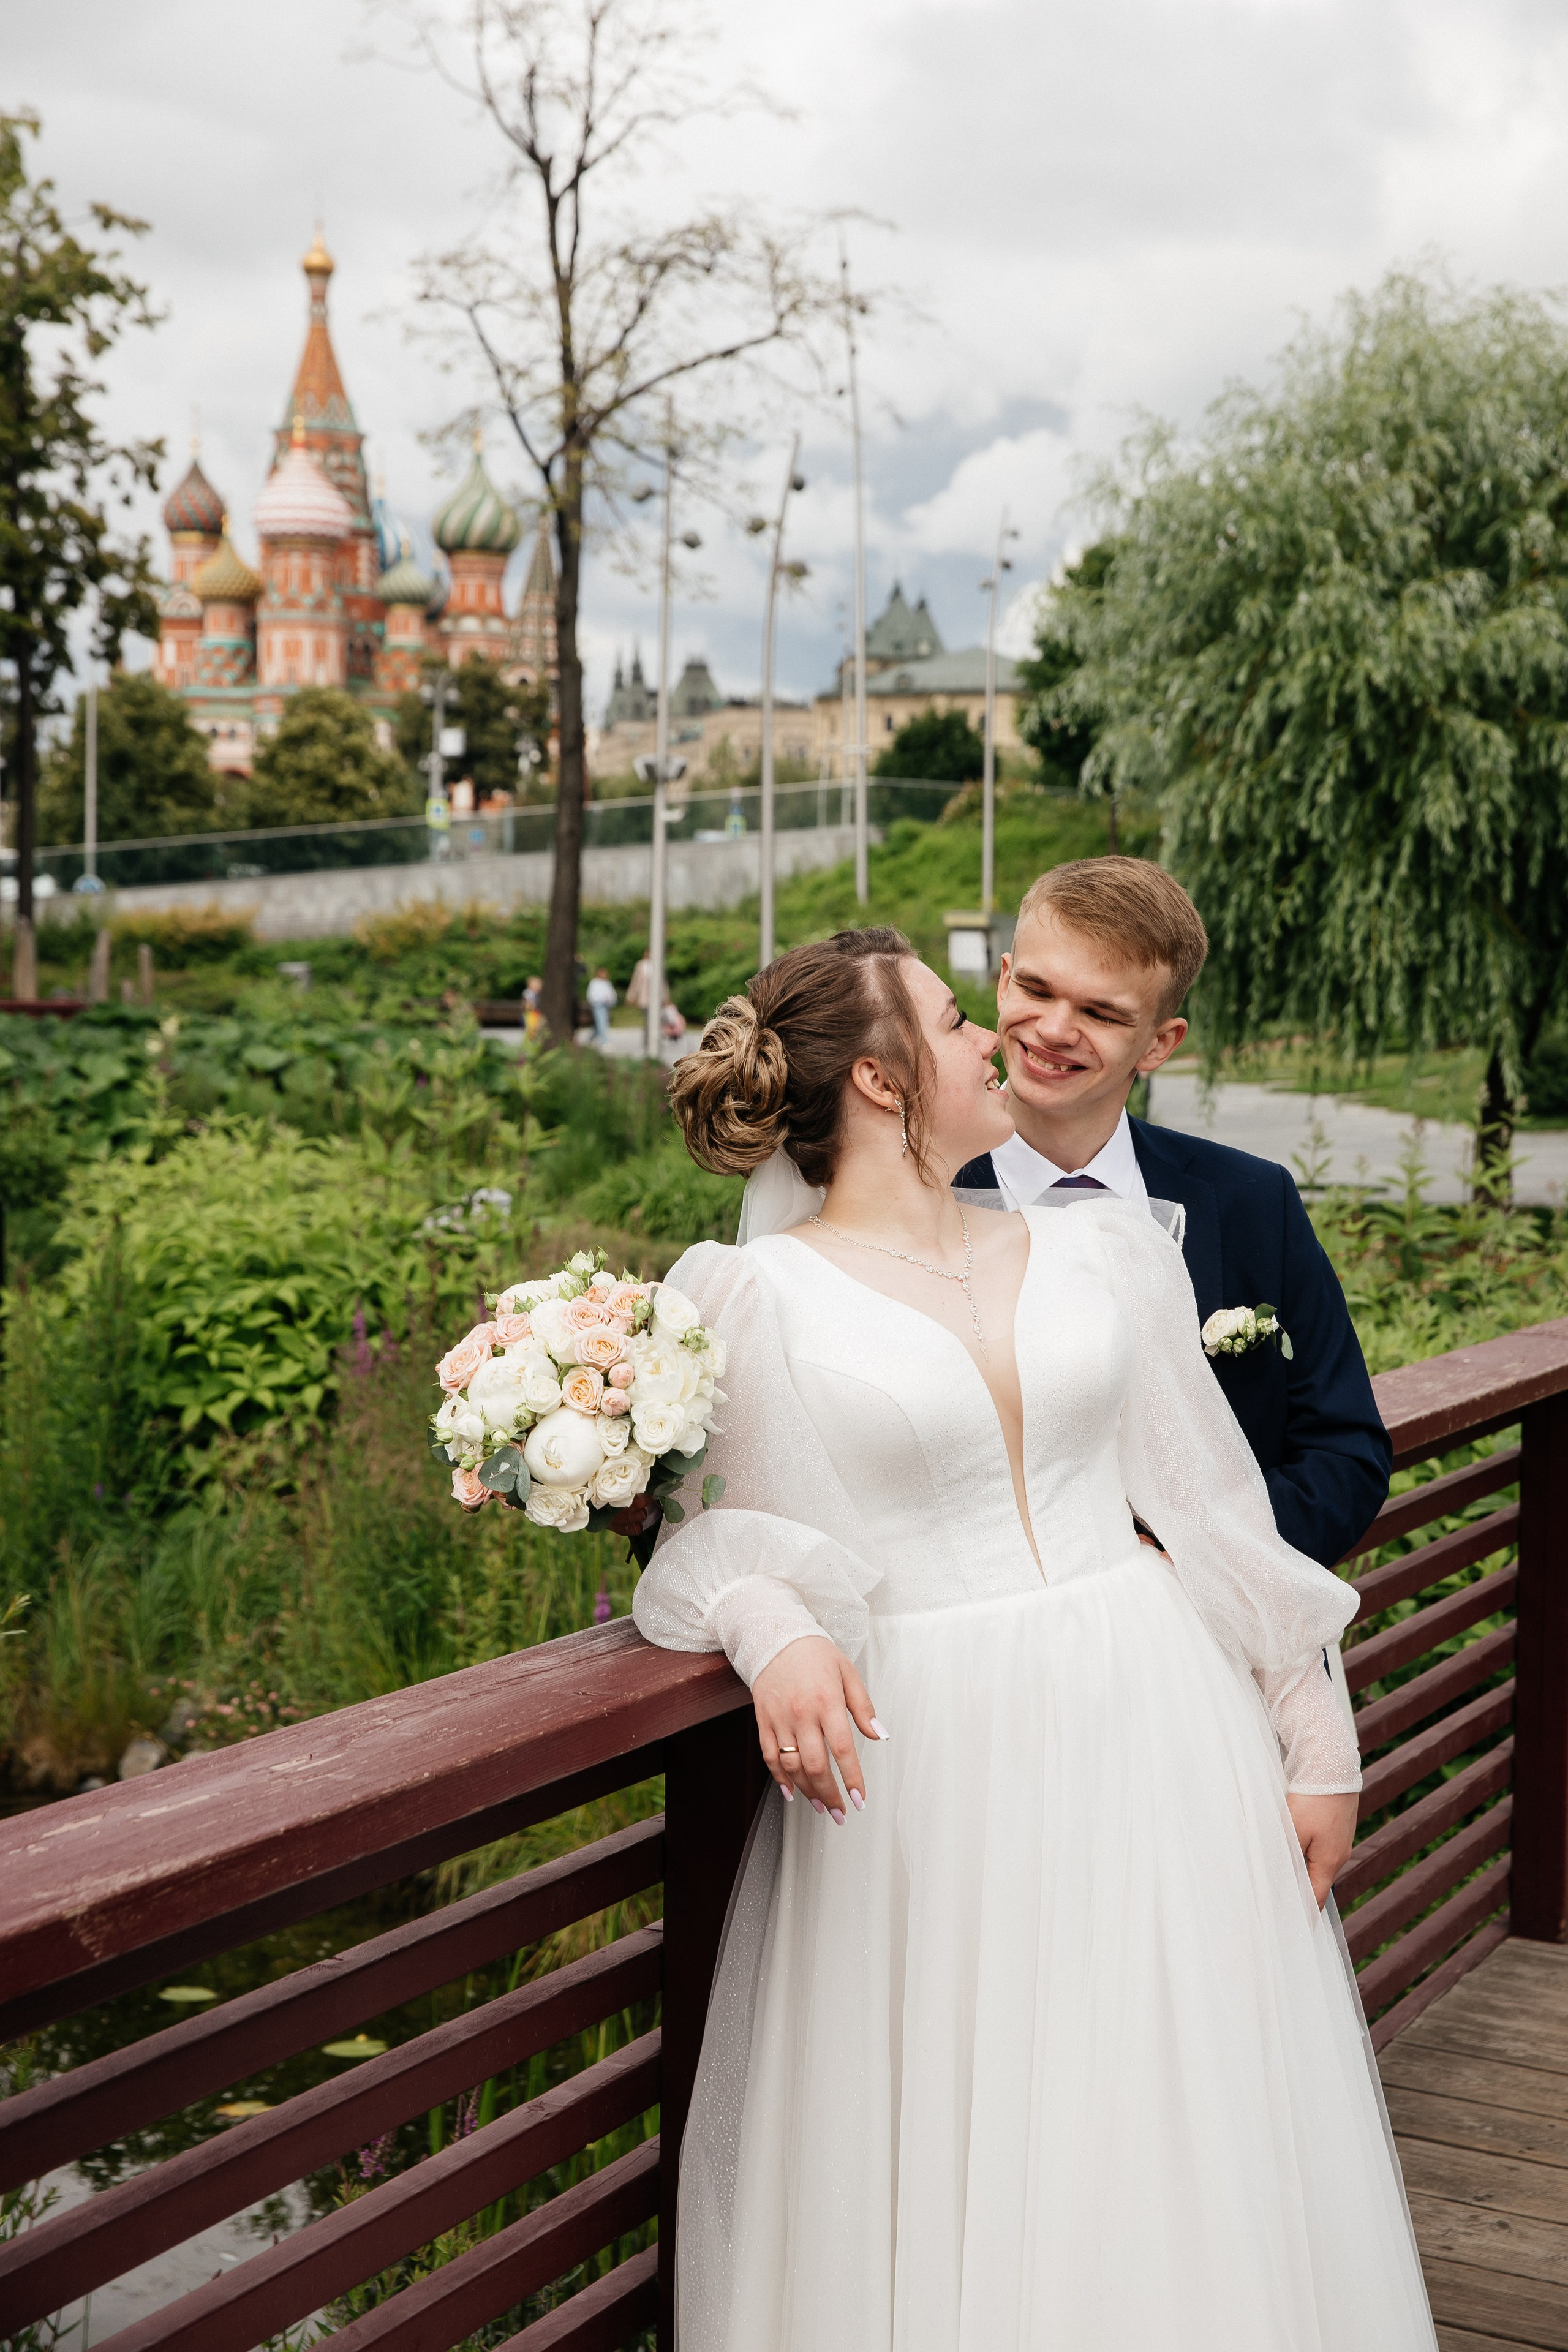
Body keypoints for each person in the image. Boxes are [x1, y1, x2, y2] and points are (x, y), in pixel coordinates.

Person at [632, 926, 1433, 2351]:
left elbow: (1210, 1510)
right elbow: (702, 1529)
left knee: (1168, 2116)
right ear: (882, 1081)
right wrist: (772, 1632)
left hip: (1160, 1729)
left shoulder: (1102, 1246)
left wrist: (1316, 1736)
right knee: (972, 2121)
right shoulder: (751, 1293)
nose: (991, 1038)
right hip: (933, 1769)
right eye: (954, 1022)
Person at [954, 859, 1390, 1570]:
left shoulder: (1253, 1200)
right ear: (1003, 981)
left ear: (1159, 1042)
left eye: (1100, 1012)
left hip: (1213, 1635)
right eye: (1035, 989)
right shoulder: (921, 1193)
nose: (1054, 1029)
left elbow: (1345, 1453)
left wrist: (1198, 1548)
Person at [587, 964, 617, 1048]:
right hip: (598, 1006)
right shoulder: (594, 983)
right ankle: (604, 1042)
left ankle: (590, 1040)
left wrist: (610, 1000)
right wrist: (601, 999)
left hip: (607, 1006)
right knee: (602, 1023)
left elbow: (612, 995)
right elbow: (591, 996)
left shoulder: (607, 983)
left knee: (600, 1024)